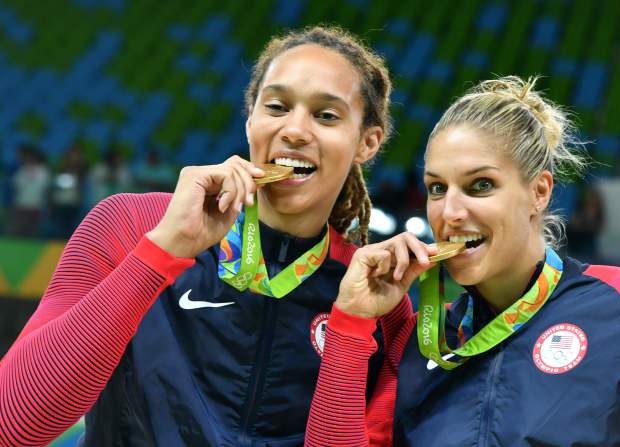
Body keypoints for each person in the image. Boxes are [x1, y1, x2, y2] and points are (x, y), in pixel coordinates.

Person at [0, 25, 395, 447]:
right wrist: (161, 251)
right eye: (277, 106)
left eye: (326, 115)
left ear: (367, 143)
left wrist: (351, 325)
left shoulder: (373, 297)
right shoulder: (130, 224)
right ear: (250, 121)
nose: (295, 130)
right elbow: (14, 424)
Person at [305, 77, 620, 446]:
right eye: (437, 188)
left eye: (480, 185)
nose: (450, 212)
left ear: (538, 192)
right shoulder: (417, 344)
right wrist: (351, 320)